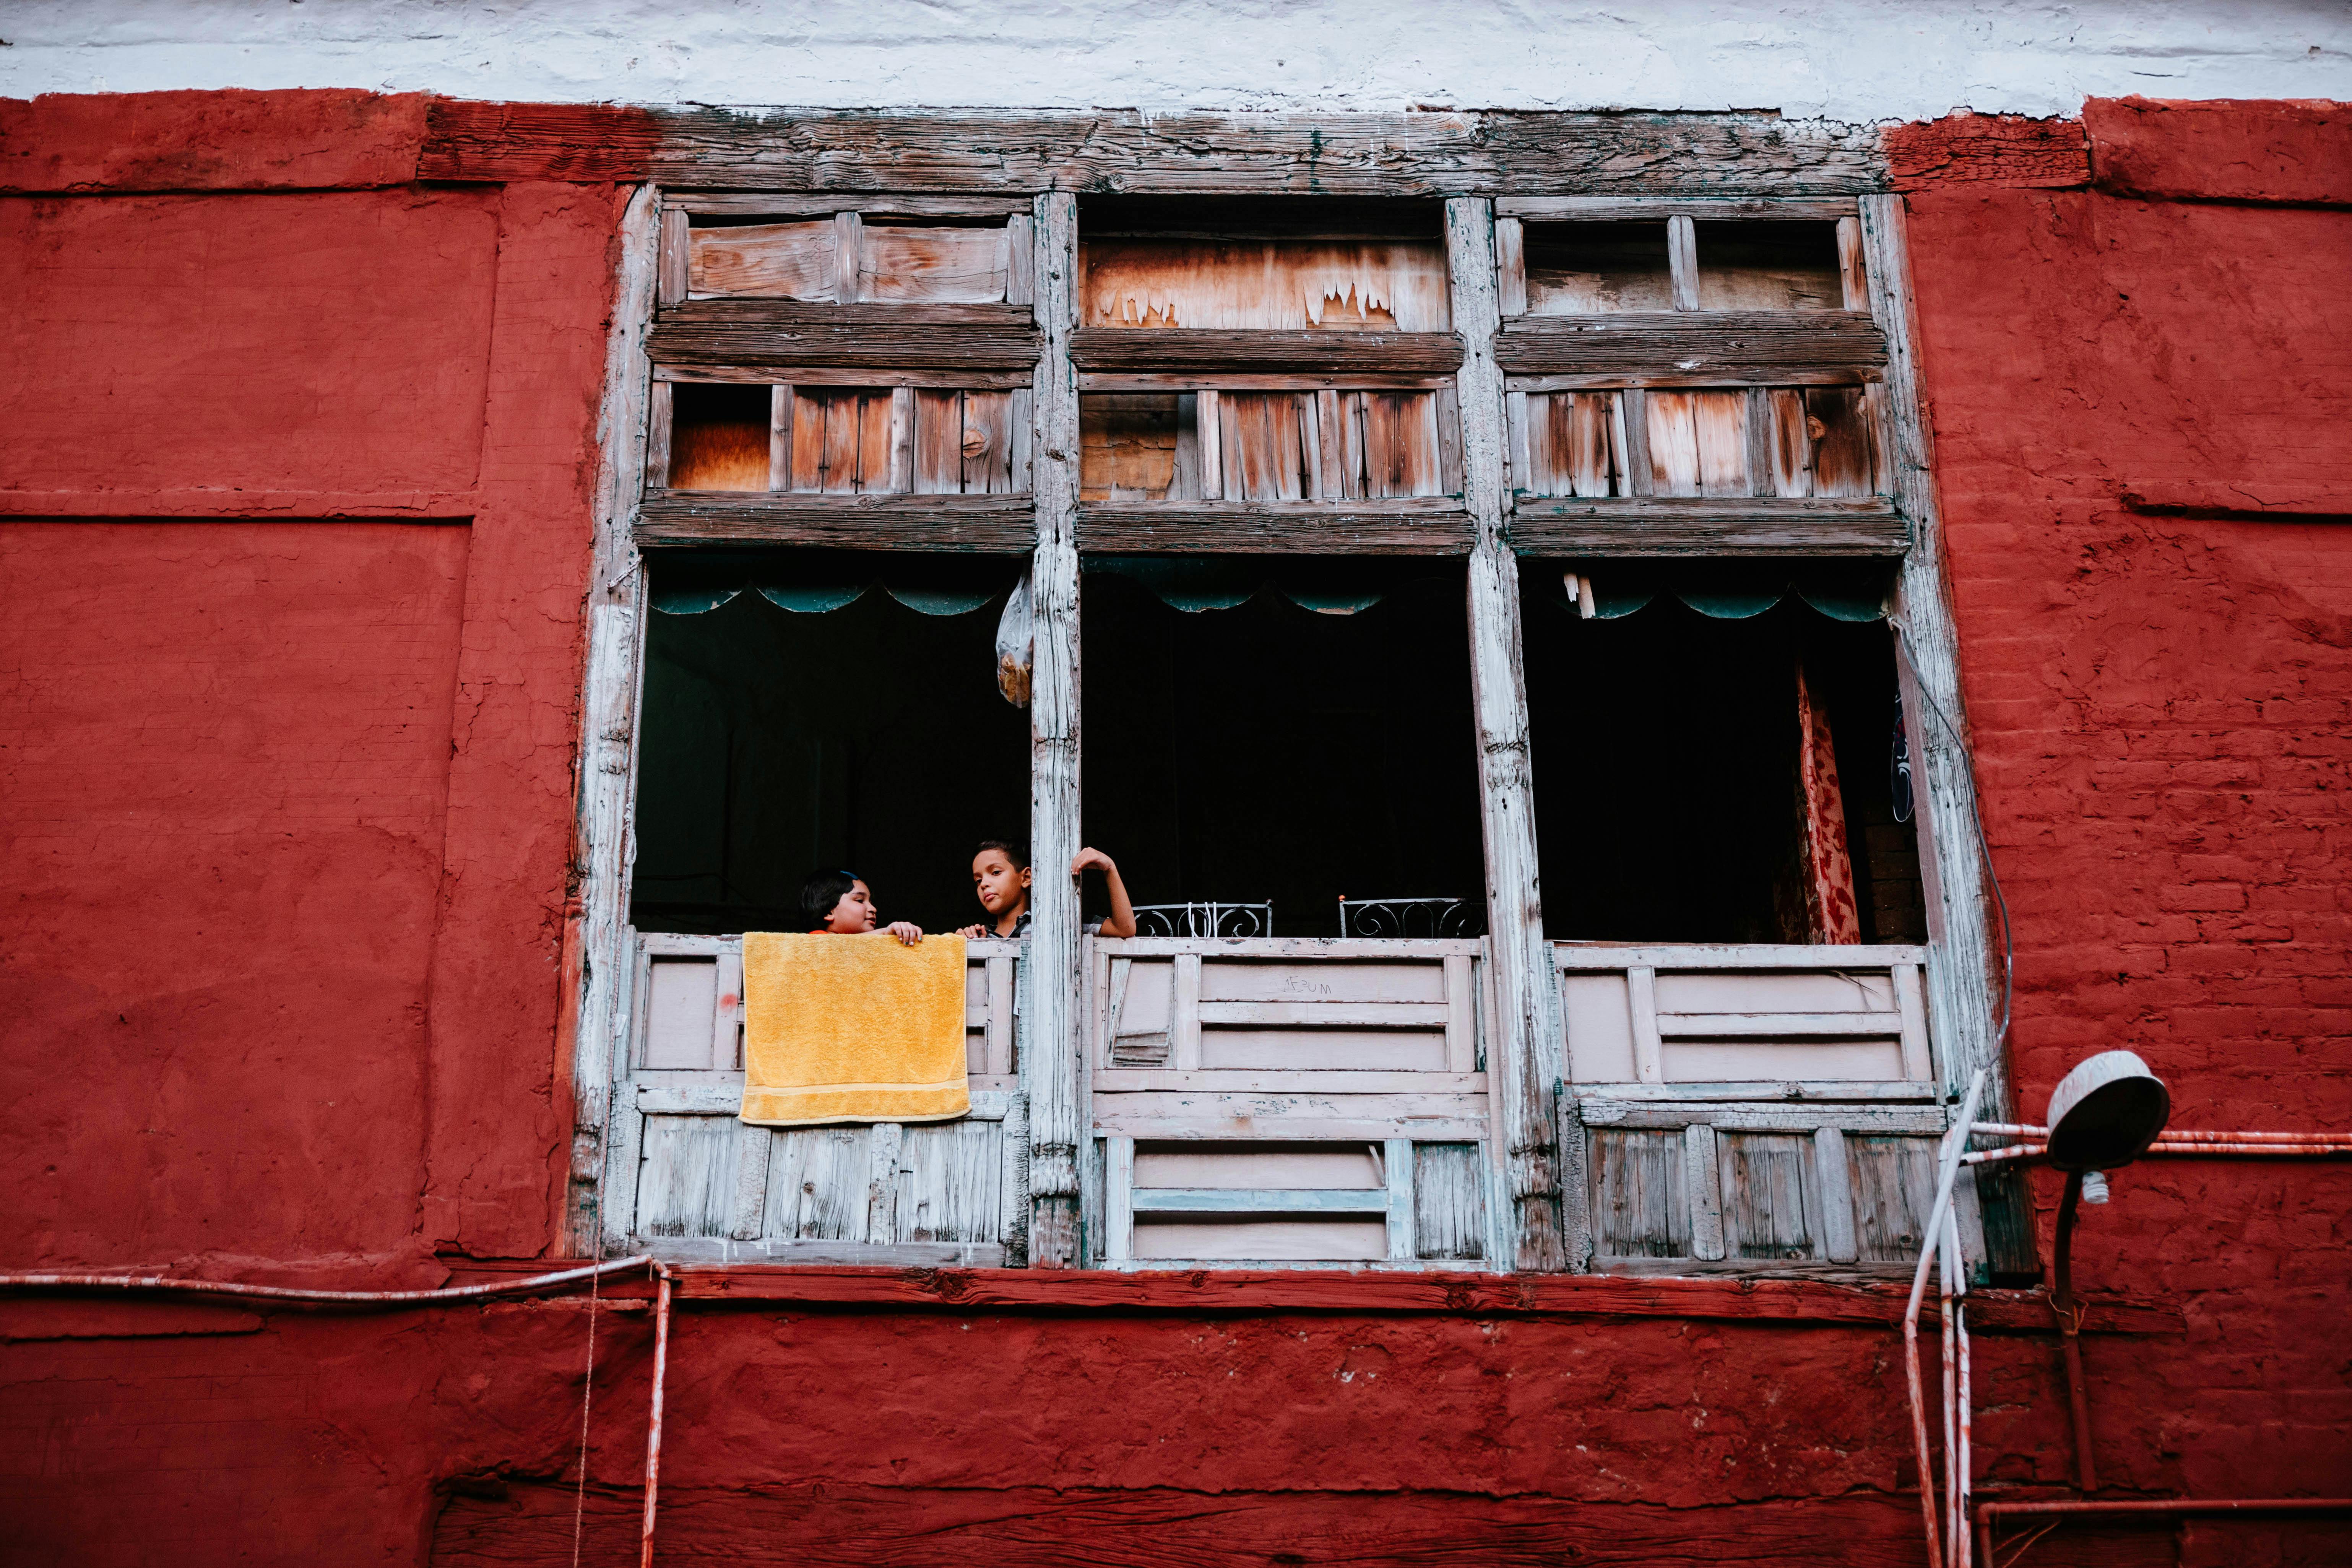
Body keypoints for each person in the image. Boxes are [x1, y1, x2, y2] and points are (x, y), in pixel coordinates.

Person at [957, 840, 1137, 939]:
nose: (984, 884)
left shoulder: (1058, 924)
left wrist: (1109, 869)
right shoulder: (980, 936)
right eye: (978, 880)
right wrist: (959, 945)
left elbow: (1124, 929)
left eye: (995, 872)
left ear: (1026, 878)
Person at [799, 868, 924, 945]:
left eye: (870, 901)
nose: (873, 909)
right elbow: (839, 947)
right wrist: (886, 932)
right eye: (860, 900)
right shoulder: (815, 941)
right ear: (829, 912)